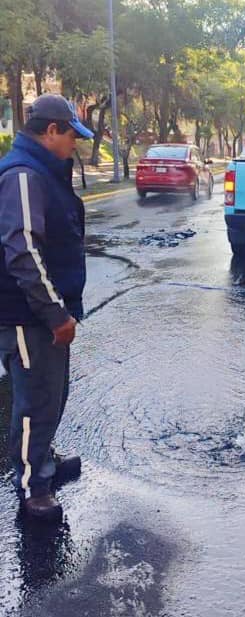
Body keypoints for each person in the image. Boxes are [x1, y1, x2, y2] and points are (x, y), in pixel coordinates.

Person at [0, 94, 94, 522]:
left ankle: (45, 459)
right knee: (36, 398)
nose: (76, 143)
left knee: (53, 393)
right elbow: (22, 251)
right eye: (73, 134)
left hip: (50, 311)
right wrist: (55, 313)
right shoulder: (23, 174)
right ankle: (32, 485)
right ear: (52, 130)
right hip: (26, 314)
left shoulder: (43, 171)